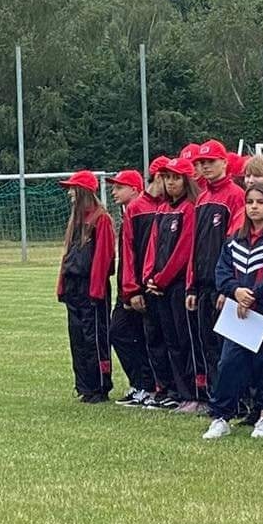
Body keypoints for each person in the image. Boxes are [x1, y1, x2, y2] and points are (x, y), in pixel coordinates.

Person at [201, 181, 263, 440]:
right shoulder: (234, 239)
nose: (254, 207)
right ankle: (221, 416)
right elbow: (222, 270)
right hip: (238, 315)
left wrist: (252, 296)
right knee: (228, 363)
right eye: (250, 202)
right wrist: (235, 291)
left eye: (260, 202)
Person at [186, 141, 244, 407]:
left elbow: (236, 246)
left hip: (222, 287)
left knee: (227, 348)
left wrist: (227, 287)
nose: (205, 166)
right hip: (203, 286)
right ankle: (215, 400)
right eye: (201, 163)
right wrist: (192, 285)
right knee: (207, 344)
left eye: (210, 161)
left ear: (224, 162)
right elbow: (195, 244)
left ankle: (235, 401)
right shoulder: (201, 198)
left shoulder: (235, 196)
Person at [143, 156, 199, 412]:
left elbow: (184, 250)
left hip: (177, 285)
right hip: (159, 287)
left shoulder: (189, 208)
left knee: (184, 340)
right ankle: (176, 391)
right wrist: (149, 276)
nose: (171, 183)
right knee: (170, 341)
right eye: (167, 178)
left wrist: (163, 278)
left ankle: (192, 392)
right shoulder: (164, 209)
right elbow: (153, 245)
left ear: (187, 180)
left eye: (176, 178)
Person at [56, 170, 115, 402]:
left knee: (95, 338)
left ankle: (99, 386)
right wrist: (62, 286)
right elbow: (67, 256)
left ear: (83, 191)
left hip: (91, 288)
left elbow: (103, 258)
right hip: (74, 287)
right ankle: (84, 386)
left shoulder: (101, 219)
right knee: (77, 338)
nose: (70, 193)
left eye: (73, 189)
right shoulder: (76, 220)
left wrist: (96, 290)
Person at [106, 170, 160, 407]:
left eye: (119, 187)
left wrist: (133, 288)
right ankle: (141, 384)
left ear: (135, 189)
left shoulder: (142, 211)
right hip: (129, 286)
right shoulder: (131, 211)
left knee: (126, 333)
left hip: (137, 287)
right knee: (123, 333)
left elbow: (138, 254)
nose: (114, 192)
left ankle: (147, 385)